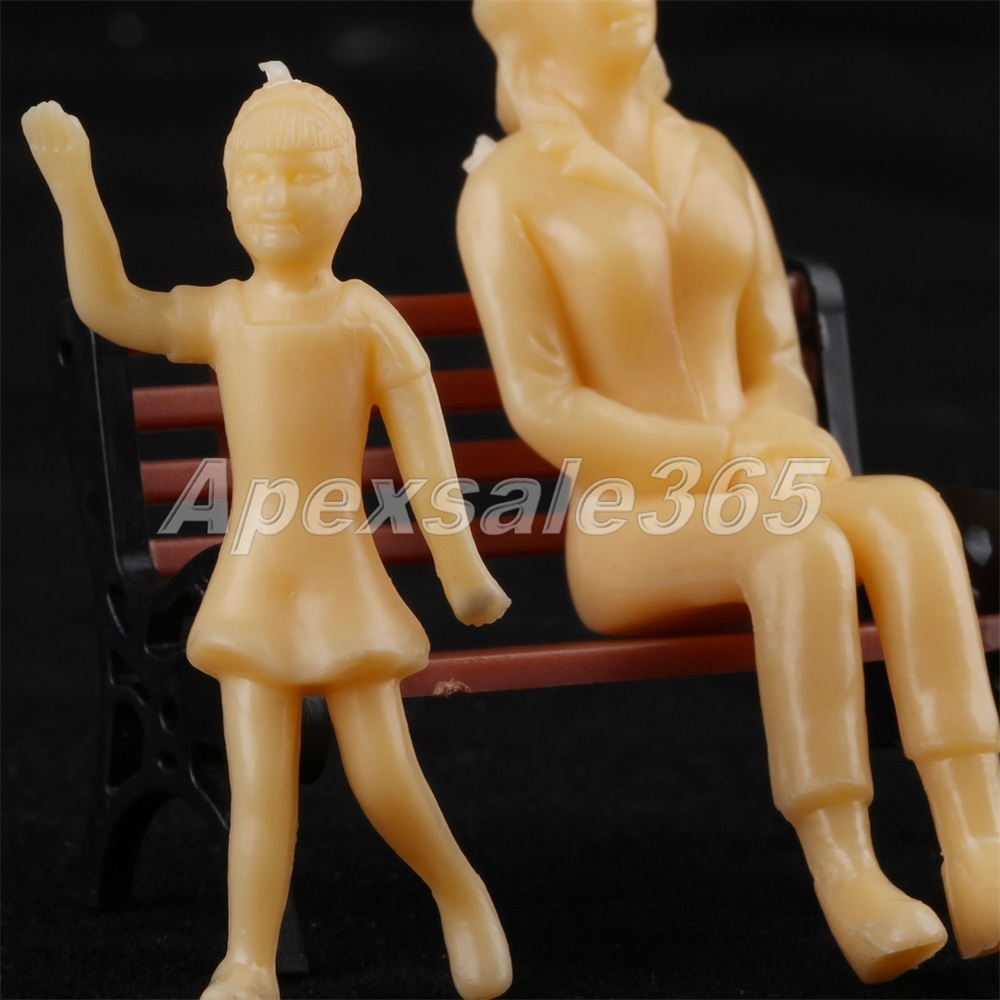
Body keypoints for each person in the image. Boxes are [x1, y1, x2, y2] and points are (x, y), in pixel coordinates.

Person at [457, 0, 999, 984]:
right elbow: (545, 404)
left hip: (760, 473)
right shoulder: (508, 190)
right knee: (798, 549)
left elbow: (774, 356)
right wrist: (713, 453)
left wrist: (773, 435)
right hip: (632, 520)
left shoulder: (708, 154)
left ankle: (981, 850)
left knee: (912, 512)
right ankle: (849, 874)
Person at [24, 61, 512, 1000]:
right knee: (260, 791)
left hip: (343, 582)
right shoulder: (225, 314)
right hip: (254, 585)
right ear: (227, 195)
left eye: (305, 174)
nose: (278, 199)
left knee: (386, 777)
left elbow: (427, 462)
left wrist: (462, 571)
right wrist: (74, 185)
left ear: (352, 189)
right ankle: (247, 958)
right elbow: (110, 305)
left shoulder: (367, 320)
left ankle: (462, 894)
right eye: (255, 177)